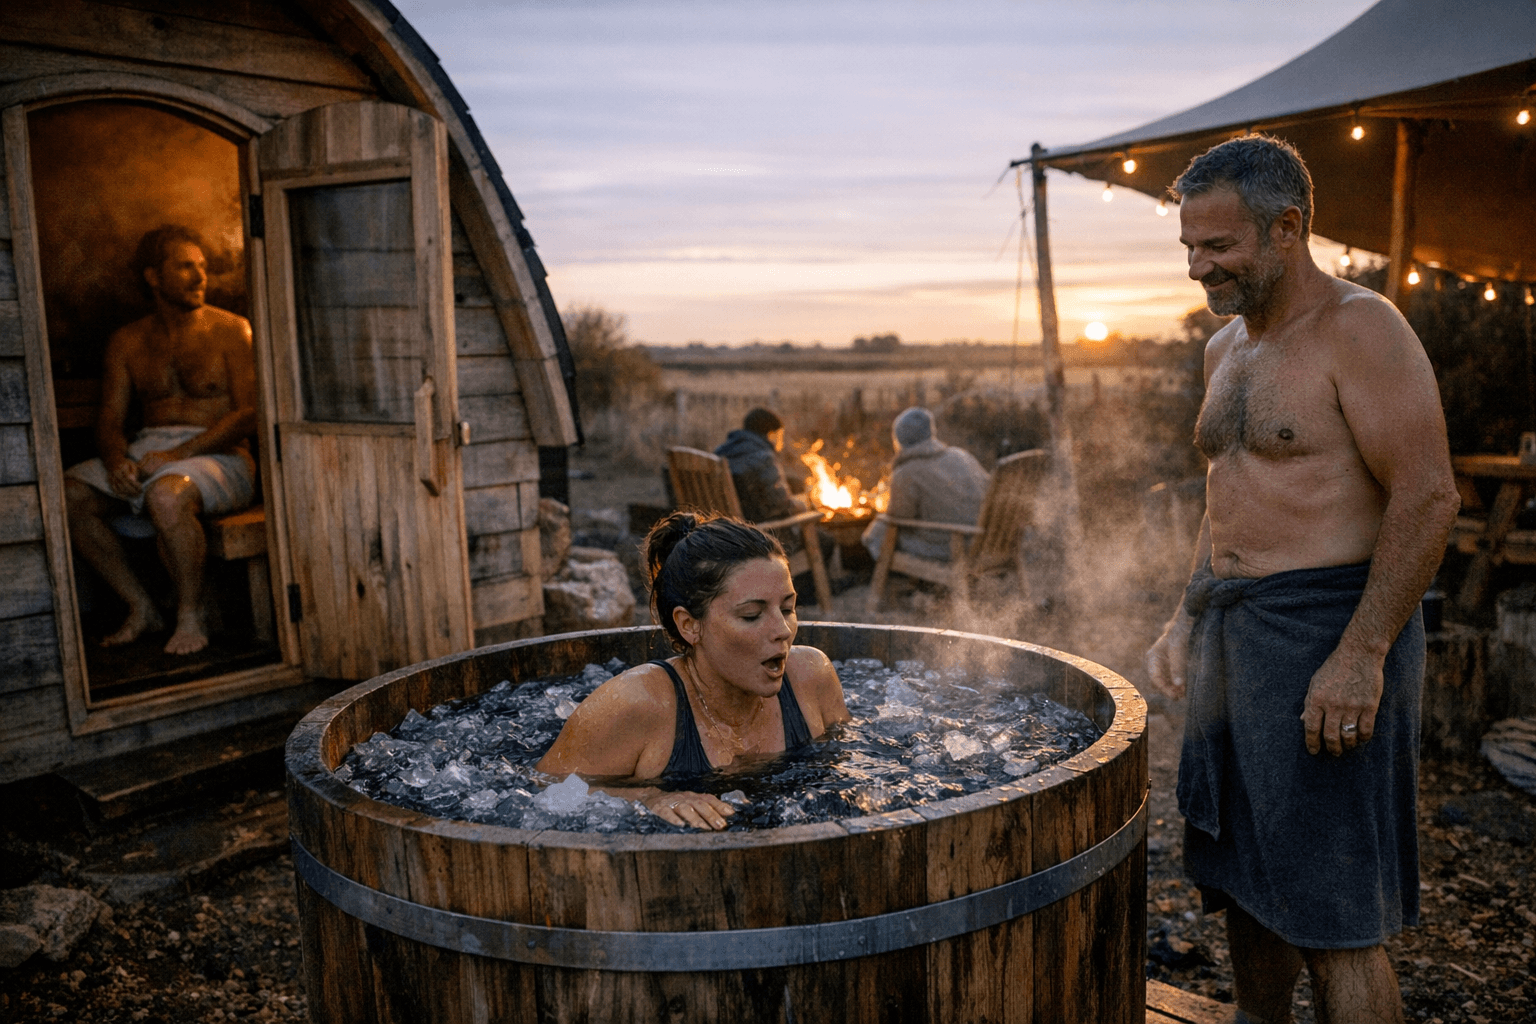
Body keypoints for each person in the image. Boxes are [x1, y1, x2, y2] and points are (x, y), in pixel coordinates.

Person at [1143, 136, 1458, 1024]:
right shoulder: (1227, 350)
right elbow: (1228, 498)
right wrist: (1182, 616)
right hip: (1233, 632)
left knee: (1334, 911)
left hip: (1330, 628)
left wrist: (1362, 652)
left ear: (1287, 229)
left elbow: (1429, 495)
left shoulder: (1363, 329)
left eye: (1218, 246)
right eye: (1189, 248)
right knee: (1243, 875)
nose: (1198, 268)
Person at [537, 512, 850, 830]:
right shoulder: (637, 704)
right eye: (752, 615)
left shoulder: (811, 677)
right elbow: (542, 793)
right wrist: (648, 798)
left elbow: (853, 775)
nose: (782, 630)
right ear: (689, 625)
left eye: (787, 608)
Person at [64, 225, 258, 656]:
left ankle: (191, 613)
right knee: (70, 494)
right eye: (186, 266)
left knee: (168, 496)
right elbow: (110, 418)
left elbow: (247, 414)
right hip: (149, 452)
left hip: (218, 456)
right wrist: (117, 460)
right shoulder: (128, 340)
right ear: (153, 277)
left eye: (203, 267)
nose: (199, 276)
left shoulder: (232, 331)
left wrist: (177, 455)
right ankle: (142, 607)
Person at [861, 407, 990, 563]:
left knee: (879, 530)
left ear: (899, 439)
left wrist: (880, 521)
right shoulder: (961, 456)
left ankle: (887, 577)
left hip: (949, 548)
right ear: (931, 431)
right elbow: (987, 487)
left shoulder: (906, 471)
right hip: (984, 540)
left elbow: (899, 517)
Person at [714, 407, 803, 523]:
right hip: (754, 531)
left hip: (722, 528)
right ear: (771, 434)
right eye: (780, 435)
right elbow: (779, 504)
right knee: (826, 539)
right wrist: (801, 504)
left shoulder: (719, 453)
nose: (782, 441)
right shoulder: (764, 457)